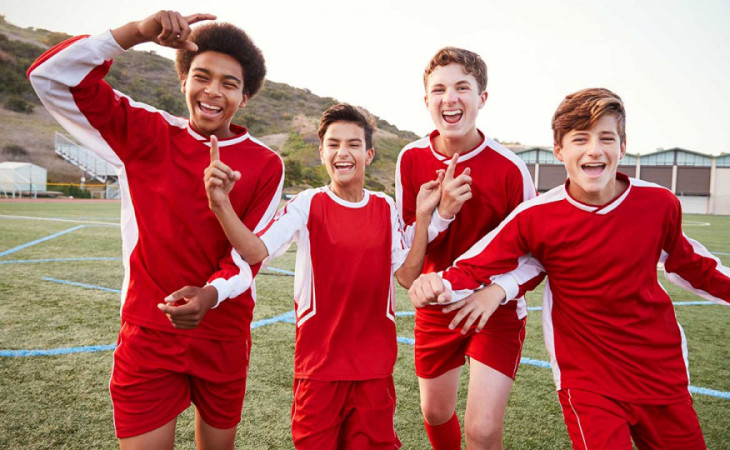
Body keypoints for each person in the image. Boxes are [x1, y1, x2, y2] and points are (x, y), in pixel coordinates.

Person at [409, 87, 730, 450]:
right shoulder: (535, 217)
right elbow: (480, 262)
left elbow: (694, 265)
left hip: (659, 374)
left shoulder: (659, 204)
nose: (594, 151)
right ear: (559, 151)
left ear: (623, 146)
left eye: (606, 138)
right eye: (580, 139)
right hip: (587, 383)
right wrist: (437, 283)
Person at [28, 11, 284, 448]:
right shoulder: (146, 132)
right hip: (149, 332)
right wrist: (137, 34)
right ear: (183, 80)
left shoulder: (265, 164)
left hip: (223, 335)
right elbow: (51, 76)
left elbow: (248, 257)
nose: (212, 91)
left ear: (245, 98)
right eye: (201, 76)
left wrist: (210, 294)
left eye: (229, 83)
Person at [203, 103, 441, 448]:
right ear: (321, 153)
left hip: (374, 371)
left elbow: (406, 275)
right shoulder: (307, 203)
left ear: (369, 154)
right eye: (333, 144)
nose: (343, 153)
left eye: (353, 144)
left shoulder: (384, 206)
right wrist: (221, 205)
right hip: (319, 371)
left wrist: (422, 215)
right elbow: (256, 251)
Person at [394, 47, 536, 449]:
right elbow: (409, 255)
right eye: (438, 89)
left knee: (483, 430)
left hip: (495, 308)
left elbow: (535, 253)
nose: (449, 98)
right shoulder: (410, 158)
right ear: (426, 101)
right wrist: (438, 215)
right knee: (435, 413)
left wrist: (495, 292)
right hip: (436, 304)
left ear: (481, 98)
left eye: (462, 87)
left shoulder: (511, 168)